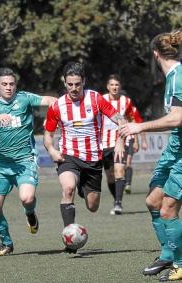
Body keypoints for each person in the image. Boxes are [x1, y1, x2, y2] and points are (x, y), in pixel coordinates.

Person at [43, 62, 125, 253]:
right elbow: (48, 136)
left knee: (93, 206)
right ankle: (70, 241)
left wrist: (120, 139)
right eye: (70, 84)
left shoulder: (96, 99)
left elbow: (119, 118)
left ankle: (84, 187)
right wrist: (52, 151)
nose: (74, 88)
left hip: (93, 160)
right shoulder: (57, 106)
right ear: (65, 83)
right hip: (68, 157)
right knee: (68, 188)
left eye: (77, 84)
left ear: (84, 82)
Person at [120, 30, 182, 282]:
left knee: (168, 209)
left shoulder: (178, 77)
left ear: (155, 55)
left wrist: (139, 126)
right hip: (175, 149)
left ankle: (180, 264)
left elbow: (178, 118)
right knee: (153, 201)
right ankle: (168, 254)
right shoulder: (171, 78)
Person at [0, 67, 56, 256]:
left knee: (27, 198)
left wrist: (64, 103)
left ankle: (30, 214)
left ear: (16, 85)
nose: (8, 87)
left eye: (11, 84)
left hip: (25, 160)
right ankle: (6, 243)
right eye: (4, 84)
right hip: (1, 165)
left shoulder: (24, 98)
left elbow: (47, 100)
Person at [101, 75, 142, 214]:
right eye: (112, 84)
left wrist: (135, 140)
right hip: (104, 142)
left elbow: (132, 119)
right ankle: (116, 198)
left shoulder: (126, 101)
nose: (114, 87)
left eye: (117, 85)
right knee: (110, 175)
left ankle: (118, 203)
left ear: (120, 86)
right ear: (108, 87)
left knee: (119, 170)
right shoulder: (101, 100)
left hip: (121, 140)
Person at [124, 106, 148, 194]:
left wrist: (143, 141)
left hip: (131, 140)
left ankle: (128, 184)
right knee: (122, 165)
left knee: (128, 162)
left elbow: (140, 126)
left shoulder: (133, 110)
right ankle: (122, 181)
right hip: (119, 141)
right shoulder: (115, 108)